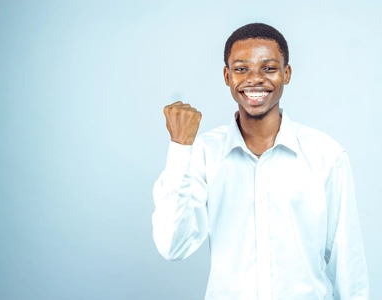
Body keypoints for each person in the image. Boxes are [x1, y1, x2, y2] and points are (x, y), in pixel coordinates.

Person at [152, 23, 369, 300]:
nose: (254, 79)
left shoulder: (326, 155)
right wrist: (181, 148)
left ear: (286, 73)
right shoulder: (201, 154)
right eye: (242, 69)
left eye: (268, 68)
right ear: (227, 75)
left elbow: (348, 264)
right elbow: (173, 246)